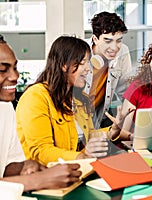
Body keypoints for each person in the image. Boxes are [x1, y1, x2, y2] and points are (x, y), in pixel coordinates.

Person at [0, 34, 81, 192]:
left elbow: (8, 164)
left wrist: (27, 166)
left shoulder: (5, 107)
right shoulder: (36, 95)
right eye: (3, 70)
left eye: (15, 68)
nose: (15, 76)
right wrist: (38, 180)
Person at [16, 36, 109, 166]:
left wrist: (113, 131)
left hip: (76, 171)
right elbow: (41, 151)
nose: (88, 69)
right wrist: (81, 156)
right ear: (64, 65)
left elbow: (89, 139)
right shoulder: (35, 97)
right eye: (83, 62)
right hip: (45, 176)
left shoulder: (80, 100)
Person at [86, 11, 132, 129]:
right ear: (95, 39)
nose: (114, 47)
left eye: (119, 40)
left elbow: (126, 92)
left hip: (99, 117)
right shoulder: (79, 51)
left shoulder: (123, 52)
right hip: (73, 118)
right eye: (107, 40)